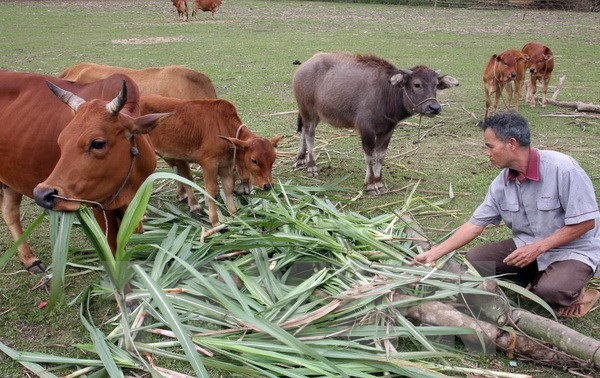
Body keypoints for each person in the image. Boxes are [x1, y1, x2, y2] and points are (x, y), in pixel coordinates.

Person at [411, 111, 600, 317]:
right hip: (529, 245)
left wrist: (538, 248)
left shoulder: (563, 169)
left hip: (574, 249)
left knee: (551, 291)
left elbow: (585, 223)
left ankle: (572, 291)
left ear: (511, 144)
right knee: (477, 260)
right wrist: (434, 253)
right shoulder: (502, 183)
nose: (487, 153)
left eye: (490, 146)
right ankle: (539, 277)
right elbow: (475, 224)